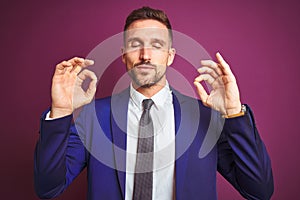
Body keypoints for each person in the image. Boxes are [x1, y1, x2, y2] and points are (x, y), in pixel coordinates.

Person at [34, 6, 274, 200]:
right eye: (135, 44)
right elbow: (48, 188)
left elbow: (259, 190)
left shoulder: (206, 118)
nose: (145, 55)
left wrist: (233, 112)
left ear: (170, 56)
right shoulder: (93, 116)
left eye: (156, 45)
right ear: (123, 55)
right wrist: (62, 112)